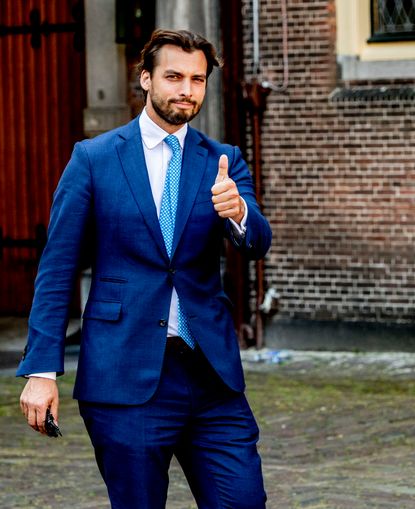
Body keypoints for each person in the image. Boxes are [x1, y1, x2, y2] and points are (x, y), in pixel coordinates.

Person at [17, 29, 269, 508]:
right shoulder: (93, 159)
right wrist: (43, 370)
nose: (187, 90)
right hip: (123, 376)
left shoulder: (224, 161)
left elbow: (258, 242)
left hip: (211, 377)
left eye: (197, 79)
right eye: (174, 77)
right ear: (146, 79)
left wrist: (238, 211)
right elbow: (57, 268)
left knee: (243, 501)